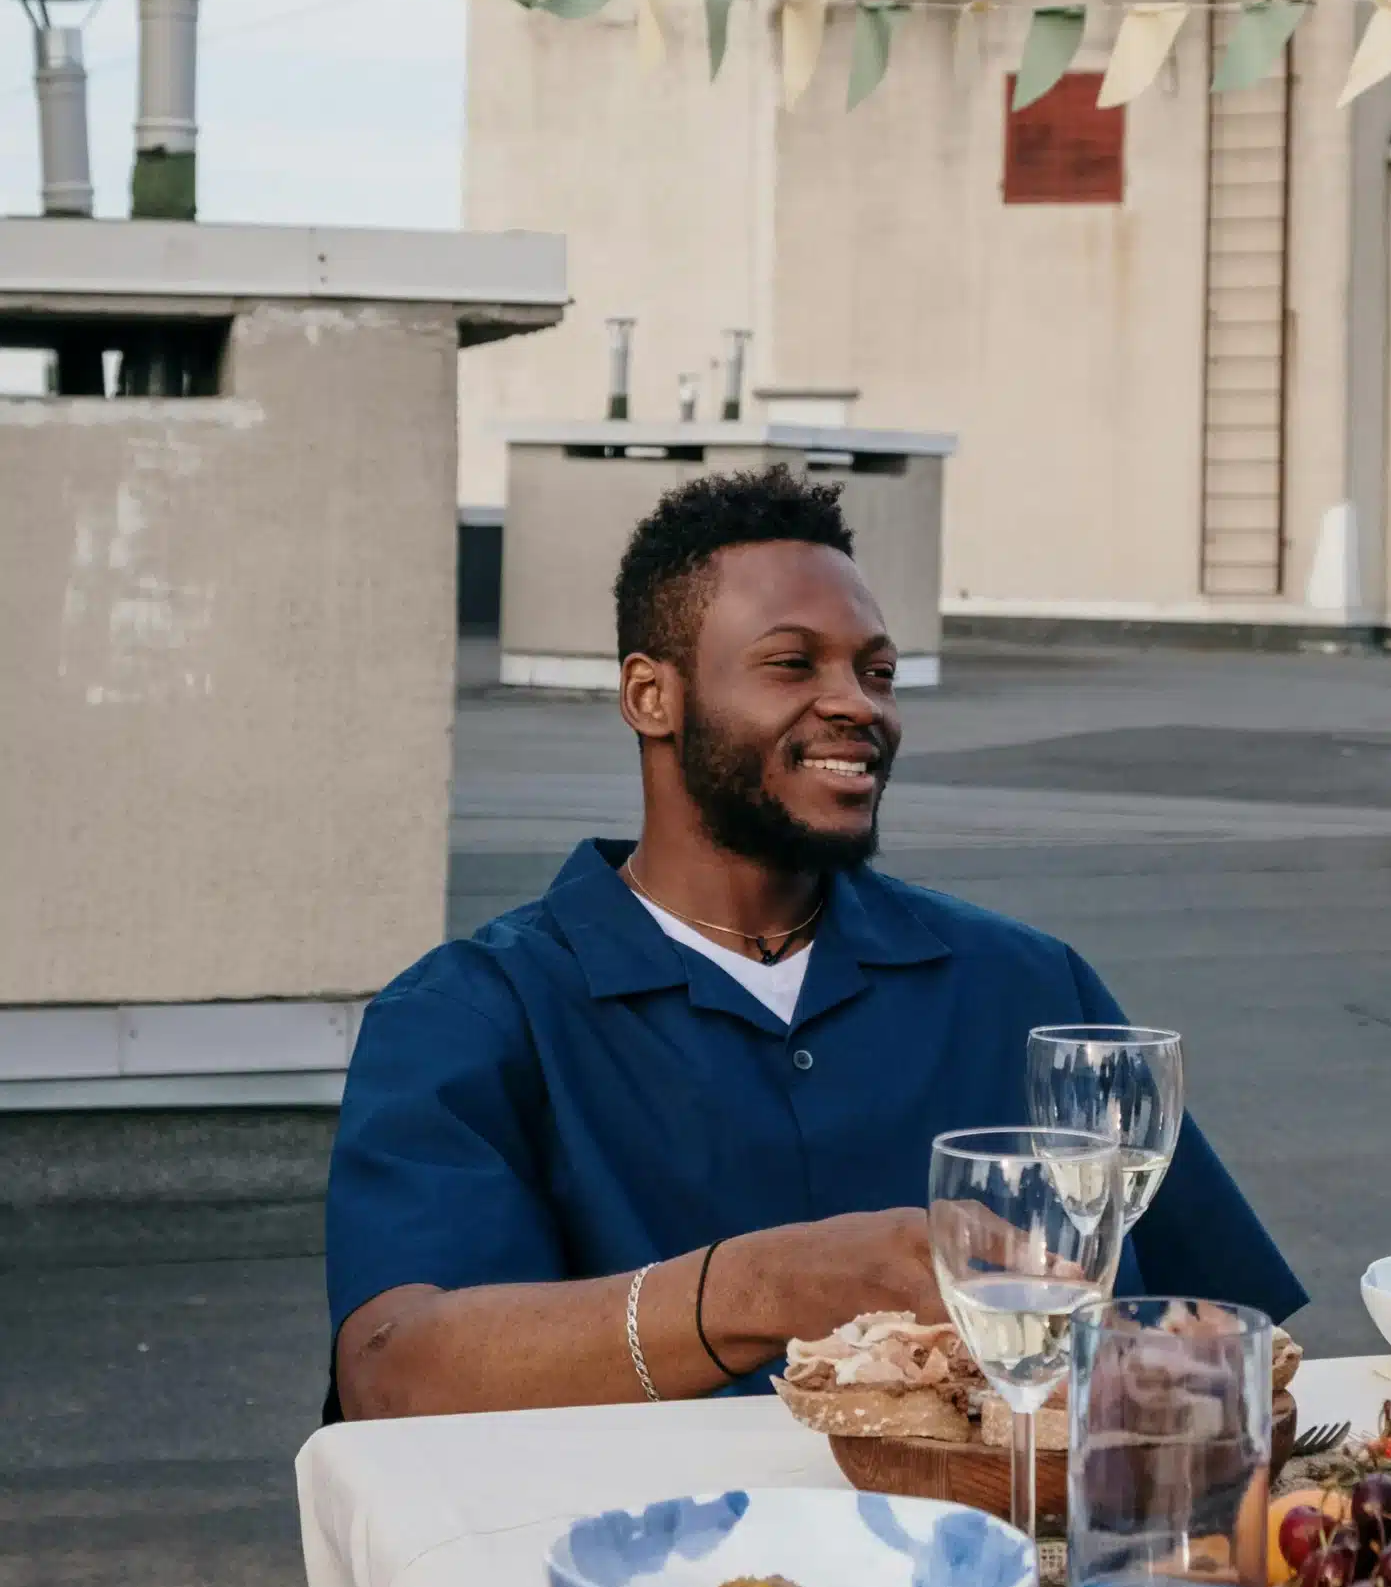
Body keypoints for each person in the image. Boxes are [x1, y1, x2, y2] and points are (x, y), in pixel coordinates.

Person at [327, 467, 1302, 1418]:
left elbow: (1218, 1333)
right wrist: (765, 1286)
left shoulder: (1028, 984)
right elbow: (397, 1371)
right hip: (654, 1571)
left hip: (1002, 1561)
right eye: (793, 663)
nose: (859, 704)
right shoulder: (474, 1014)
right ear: (649, 696)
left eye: (876, 671)